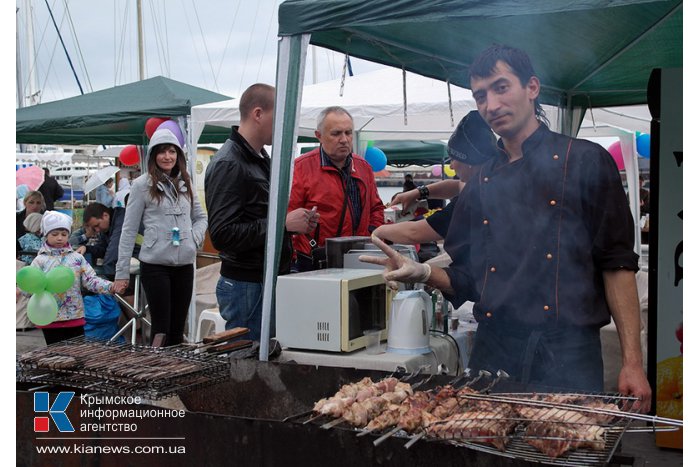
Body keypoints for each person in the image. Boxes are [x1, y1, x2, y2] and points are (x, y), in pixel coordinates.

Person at [361, 44, 651, 412]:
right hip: (495, 350)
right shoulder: (482, 180)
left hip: (568, 354)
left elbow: (617, 265)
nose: (491, 105)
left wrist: (632, 363)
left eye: (501, 88)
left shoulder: (585, 161)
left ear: (532, 87)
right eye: (480, 96)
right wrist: (423, 272)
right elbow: (468, 279)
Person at [204, 83, 316, 341]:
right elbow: (222, 235)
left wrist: (295, 223)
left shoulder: (257, 158)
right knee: (250, 369)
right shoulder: (229, 163)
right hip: (248, 285)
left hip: (261, 281)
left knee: (261, 365)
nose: (284, 125)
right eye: (280, 117)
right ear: (258, 114)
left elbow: (259, 217)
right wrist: (283, 225)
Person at [114, 128, 207, 346]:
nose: (168, 157)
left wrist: (194, 237)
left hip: (184, 263)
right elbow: (128, 230)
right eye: (162, 152)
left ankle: (175, 372)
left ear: (179, 155)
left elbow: (201, 217)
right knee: (161, 327)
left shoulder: (187, 182)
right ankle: (157, 370)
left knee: (178, 326)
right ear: (153, 155)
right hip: (155, 264)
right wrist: (121, 272)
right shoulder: (141, 185)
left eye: (172, 152)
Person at [375, 111, 498, 245]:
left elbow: (414, 233)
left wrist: (378, 231)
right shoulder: (490, 179)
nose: (451, 167)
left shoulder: (475, 197)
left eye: (452, 160)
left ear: (468, 162)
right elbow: (455, 186)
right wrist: (417, 193)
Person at [287, 106, 385, 271]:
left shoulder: (363, 167)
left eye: (348, 133)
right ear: (319, 136)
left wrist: (370, 235)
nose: (344, 139)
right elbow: (289, 218)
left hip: (358, 256)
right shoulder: (300, 168)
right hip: (315, 260)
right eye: (336, 133)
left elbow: (375, 208)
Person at [21, 211, 115, 345]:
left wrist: (109, 286)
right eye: (54, 234)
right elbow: (31, 286)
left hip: (74, 316)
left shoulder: (77, 258)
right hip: (50, 318)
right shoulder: (39, 260)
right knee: (55, 356)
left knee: (77, 354)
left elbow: (90, 280)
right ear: (45, 235)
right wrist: (23, 289)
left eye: (64, 234)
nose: (59, 238)